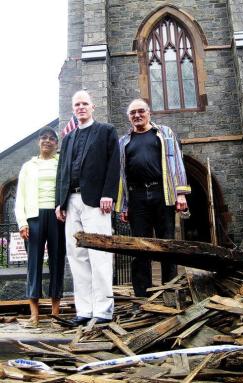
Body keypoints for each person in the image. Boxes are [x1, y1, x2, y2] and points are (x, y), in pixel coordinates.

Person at [55, 90, 120, 326]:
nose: (81, 107)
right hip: (71, 202)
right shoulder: (68, 138)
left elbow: (114, 164)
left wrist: (108, 194)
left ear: (92, 107)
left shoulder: (106, 131)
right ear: (73, 109)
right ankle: (84, 310)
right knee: (76, 256)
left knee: (100, 256)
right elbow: (62, 172)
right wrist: (59, 203)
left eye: (84, 103)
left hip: (96, 203)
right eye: (77, 104)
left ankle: (102, 311)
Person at [115, 98, 191, 297]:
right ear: (129, 117)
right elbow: (121, 175)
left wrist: (180, 193)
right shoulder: (123, 142)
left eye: (141, 111)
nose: (137, 115)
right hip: (136, 196)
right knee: (139, 248)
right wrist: (124, 206)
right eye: (133, 113)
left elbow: (177, 164)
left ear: (149, 113)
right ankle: (143, 295)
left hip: (162, 193)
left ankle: (170, 292)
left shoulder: (164, 133)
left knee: (167, 244)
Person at [15, 127, 65, 327]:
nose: (47, 141)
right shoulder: (28, 166)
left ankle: (55, 314)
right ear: (38, 142)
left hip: (56, 216)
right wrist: (22, 222)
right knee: (33, 264)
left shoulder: (61, 164)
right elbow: (21, 197)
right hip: (34, 218)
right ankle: (34, 315)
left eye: (52, 138)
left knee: (57, 262)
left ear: (56, 143)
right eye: (44, 138)